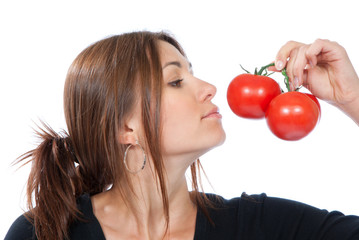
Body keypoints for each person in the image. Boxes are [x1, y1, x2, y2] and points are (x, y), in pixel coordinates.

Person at [5, 32, 359, 240]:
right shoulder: (44, 233)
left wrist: (352, 98)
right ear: (125, 128)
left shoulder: (255, 225)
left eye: (193, 74)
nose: (210, 88)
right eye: (176, 81)